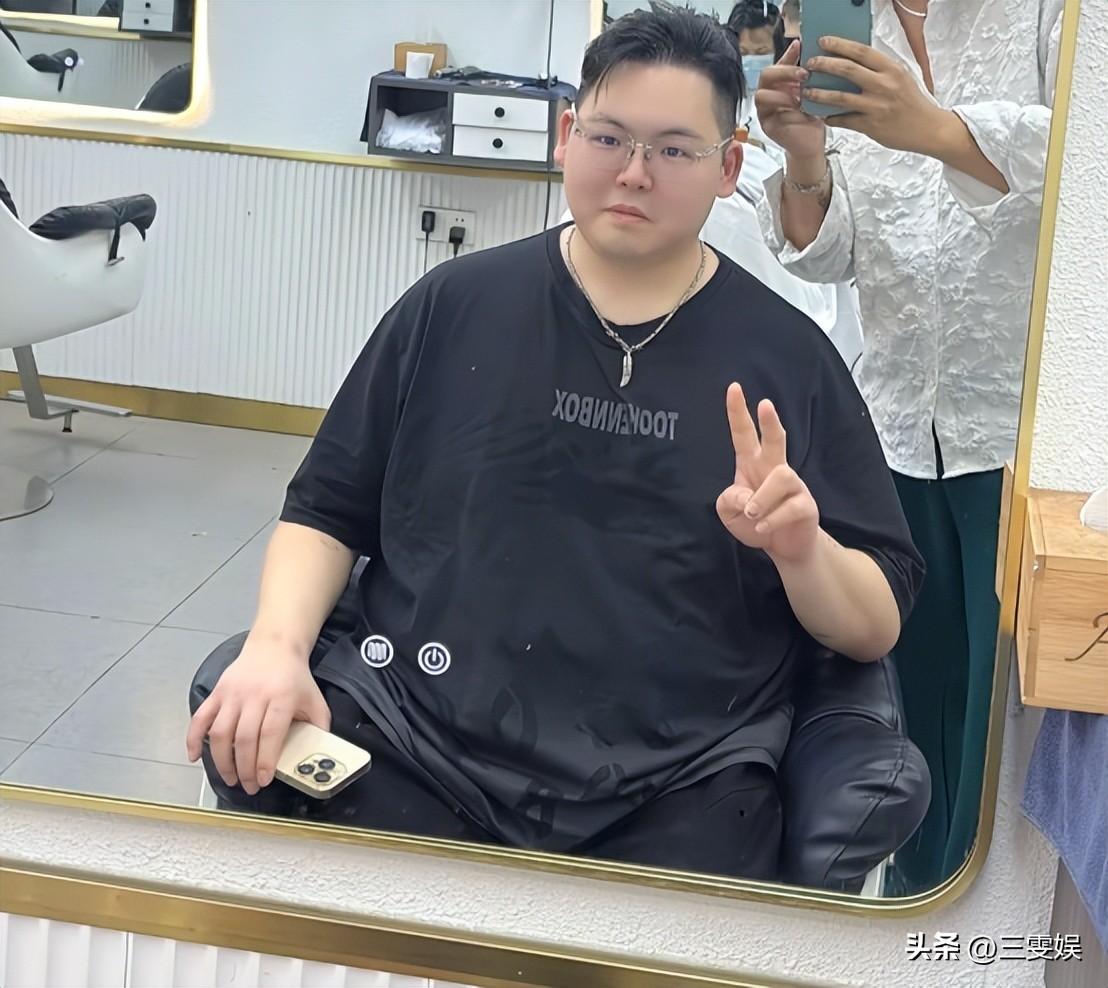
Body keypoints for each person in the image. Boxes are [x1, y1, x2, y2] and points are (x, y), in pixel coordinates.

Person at [186, 7, 923, 881]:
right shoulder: (452, 307)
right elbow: (326, 508)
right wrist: (275, 648)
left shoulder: (789, 360)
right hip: (415, 734)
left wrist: (801, 551)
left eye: (675, 150)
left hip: (678, 781)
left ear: (728, 167)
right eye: (609, 138)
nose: (634, 173)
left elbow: (874, 625)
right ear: (567, 136)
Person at [754, 0, 1064, 893]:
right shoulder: (859, 29)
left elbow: (1090, 168)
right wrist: (804, 159)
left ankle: (999, 926)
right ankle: (910, 913)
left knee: (1007, 736)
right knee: (895, 718)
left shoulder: (1059, 14)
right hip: (890, 435)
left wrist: (938, 129)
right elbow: (830, 254)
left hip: (1024, 439)